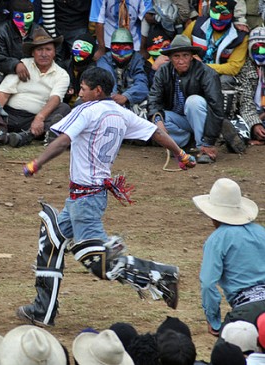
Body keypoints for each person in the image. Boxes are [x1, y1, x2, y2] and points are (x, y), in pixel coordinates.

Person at [16, 67, 194, 327]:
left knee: (99, 262)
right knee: (52, 240)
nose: (79, 92)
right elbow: (156, 133)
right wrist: (181, 154)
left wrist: (37, 163)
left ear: (97, 91)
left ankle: (161, 274)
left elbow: (63, 141)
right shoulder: (122, 113)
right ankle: (43, 310)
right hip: (86, 197)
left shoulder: (87, 110)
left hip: (86, 199)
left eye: (84, 88)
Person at [147, 34, 238, 164]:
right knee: (157, 118)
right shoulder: (163, 72)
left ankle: (204, 146)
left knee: (193, 101)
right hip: (180, 120)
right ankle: (187, 142)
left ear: (191, 57)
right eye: (176, 56)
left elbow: (216, 107)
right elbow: (153, 99)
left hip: (202, 118)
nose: (181, 60)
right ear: (170, 58)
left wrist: (209, 141)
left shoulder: (206, 72)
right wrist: (157, 120)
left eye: (185, 55)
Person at [192, 178, 265, 336]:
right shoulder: (261, 232)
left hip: (246, 310)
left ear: (212, 215)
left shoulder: (217, 239)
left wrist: (213, 320)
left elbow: (207, 283)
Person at [0, 26, 70, 147]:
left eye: (48, 49)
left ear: (54, 52)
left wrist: (39, 118)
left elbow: (55, 98)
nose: (44, 54)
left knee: (64, 107)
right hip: (10, 115)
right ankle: (5, 135)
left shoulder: (62, 74)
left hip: (34, 119)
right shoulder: (23, 64)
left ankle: (26, 136)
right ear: (32, 52)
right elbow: (3, 92)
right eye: (40, 49)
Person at [96, 27, 149, 116]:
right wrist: (114, 97)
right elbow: (108, 80)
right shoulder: (104, 60)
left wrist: (126, 96)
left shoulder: (138, 60)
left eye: (126, 47)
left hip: (130, 99)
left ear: (132, 47)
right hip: (108, 99)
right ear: (111, 46)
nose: (121, 52)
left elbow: (142, 85)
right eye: (116, 47)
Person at [0, 0, 36, 81]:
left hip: (33, 74)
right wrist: (15, 64)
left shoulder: (38, 31)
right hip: (8, 74)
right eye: (19, 18)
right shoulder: (2, 31)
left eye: (28, 18)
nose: (24, 23)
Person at [236, 27, 265, 143]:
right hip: (251, 115)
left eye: (263, 48)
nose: (260, 52)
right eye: (255, 48)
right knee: (238, 128)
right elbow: (245, 101)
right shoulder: (245, 69)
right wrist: (255, 124)